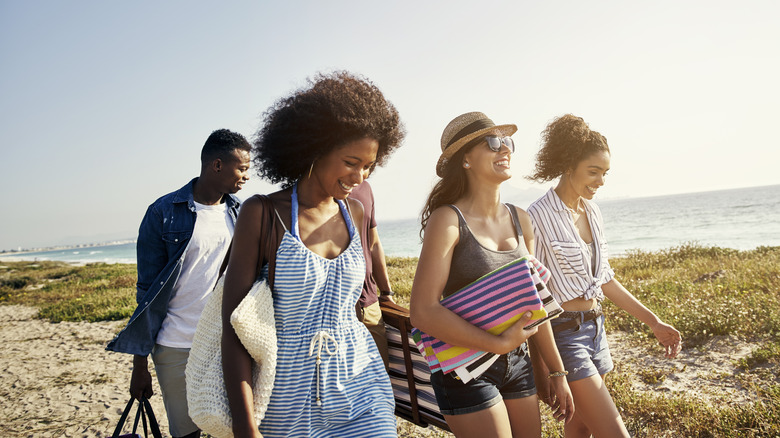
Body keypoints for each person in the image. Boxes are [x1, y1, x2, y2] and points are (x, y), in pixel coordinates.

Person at [221, 71, 405, 438]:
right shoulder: (262, 214)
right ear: (315, 149)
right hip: (285, 402)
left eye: (369, 166)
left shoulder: (355, 213)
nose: (360, 176)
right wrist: (245, 427)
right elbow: (234, 327)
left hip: (361, 385)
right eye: (351, 162)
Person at [409, 112, 574, 438]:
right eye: (493, 143)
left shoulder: (521, 219)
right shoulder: (448, 220)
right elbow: (423, 310)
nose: (505, 149)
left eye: (507, 142)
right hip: (465, 368)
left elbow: (535, 305)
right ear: (465, 159)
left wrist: (557, 372)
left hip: (518, 363)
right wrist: (496, 343)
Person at [526, 114, 682, 438]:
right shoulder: (536, 216)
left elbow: (605, 280)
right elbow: (531, 295)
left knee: (580, 427)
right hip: (564, 337)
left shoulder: (592, 211)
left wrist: (654, 322)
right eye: (593, 172)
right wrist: (544, 368)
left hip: (597, 333)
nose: (600, 181)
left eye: (605, 173)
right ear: (569, 166)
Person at [107, 129, 252, 438]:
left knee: (232, 428)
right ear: (216, 165)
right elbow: (147, 293)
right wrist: (139, 366)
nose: (246, 176)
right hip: (175, 343)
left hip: (225, 341)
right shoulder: (162, 213)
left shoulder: (240, 212)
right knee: (187, 433)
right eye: (242, 168)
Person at [350, 179, 394, 368]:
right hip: (339, 309)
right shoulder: (321, 189)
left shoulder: (365, 188)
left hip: (370, 304)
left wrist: (386, 292)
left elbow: (374, 243)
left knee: (381, 377)